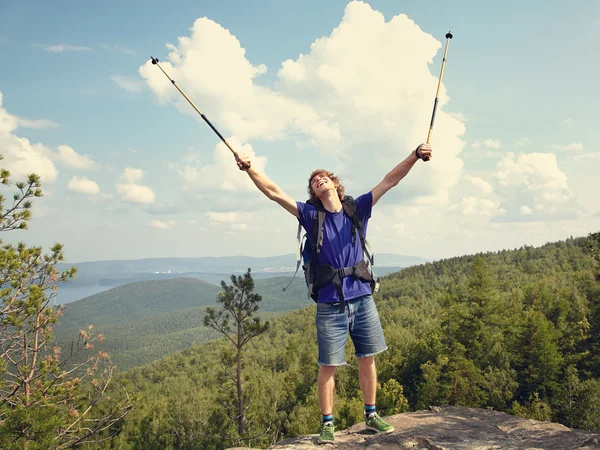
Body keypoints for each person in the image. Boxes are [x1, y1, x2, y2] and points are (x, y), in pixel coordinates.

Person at [236, 143, 433, 444]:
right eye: (314, 182)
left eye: (324, 177)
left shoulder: (357, 209)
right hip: (330, 304)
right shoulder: (310, 216)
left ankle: (371, 415)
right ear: (314, 194)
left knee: (368, 358)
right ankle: (327, 423)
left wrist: (415, 155)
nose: (319, 180)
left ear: (335, 185)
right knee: (328, 364)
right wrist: (250, 168)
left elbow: (390, 180)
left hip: (362, 298)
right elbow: (273, 192)